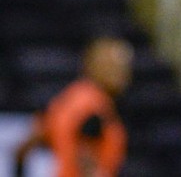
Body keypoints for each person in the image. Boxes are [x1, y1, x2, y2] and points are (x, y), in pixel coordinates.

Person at [15, 37, 134, 177]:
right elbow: (85, 151)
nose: (120, 73)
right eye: (112, 66)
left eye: (124, 66)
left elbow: (22, 150)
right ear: (90, 65)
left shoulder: (65, 100)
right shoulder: (96, 104)